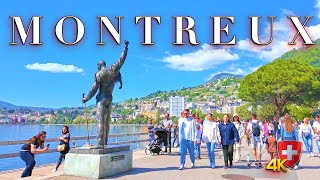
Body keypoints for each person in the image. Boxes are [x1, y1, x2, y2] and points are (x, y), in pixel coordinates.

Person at [82, 40, 129, 147]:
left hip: (102, 98)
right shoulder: (113, 70)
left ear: (99, 66)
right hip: (110, 97)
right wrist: (126, 47)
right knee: (107, 122)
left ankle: (99, 143)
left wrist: (86, 99)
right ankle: (105, 142)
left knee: (100, 121)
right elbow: (122, 59)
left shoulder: (99, 74)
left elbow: (94, 89)